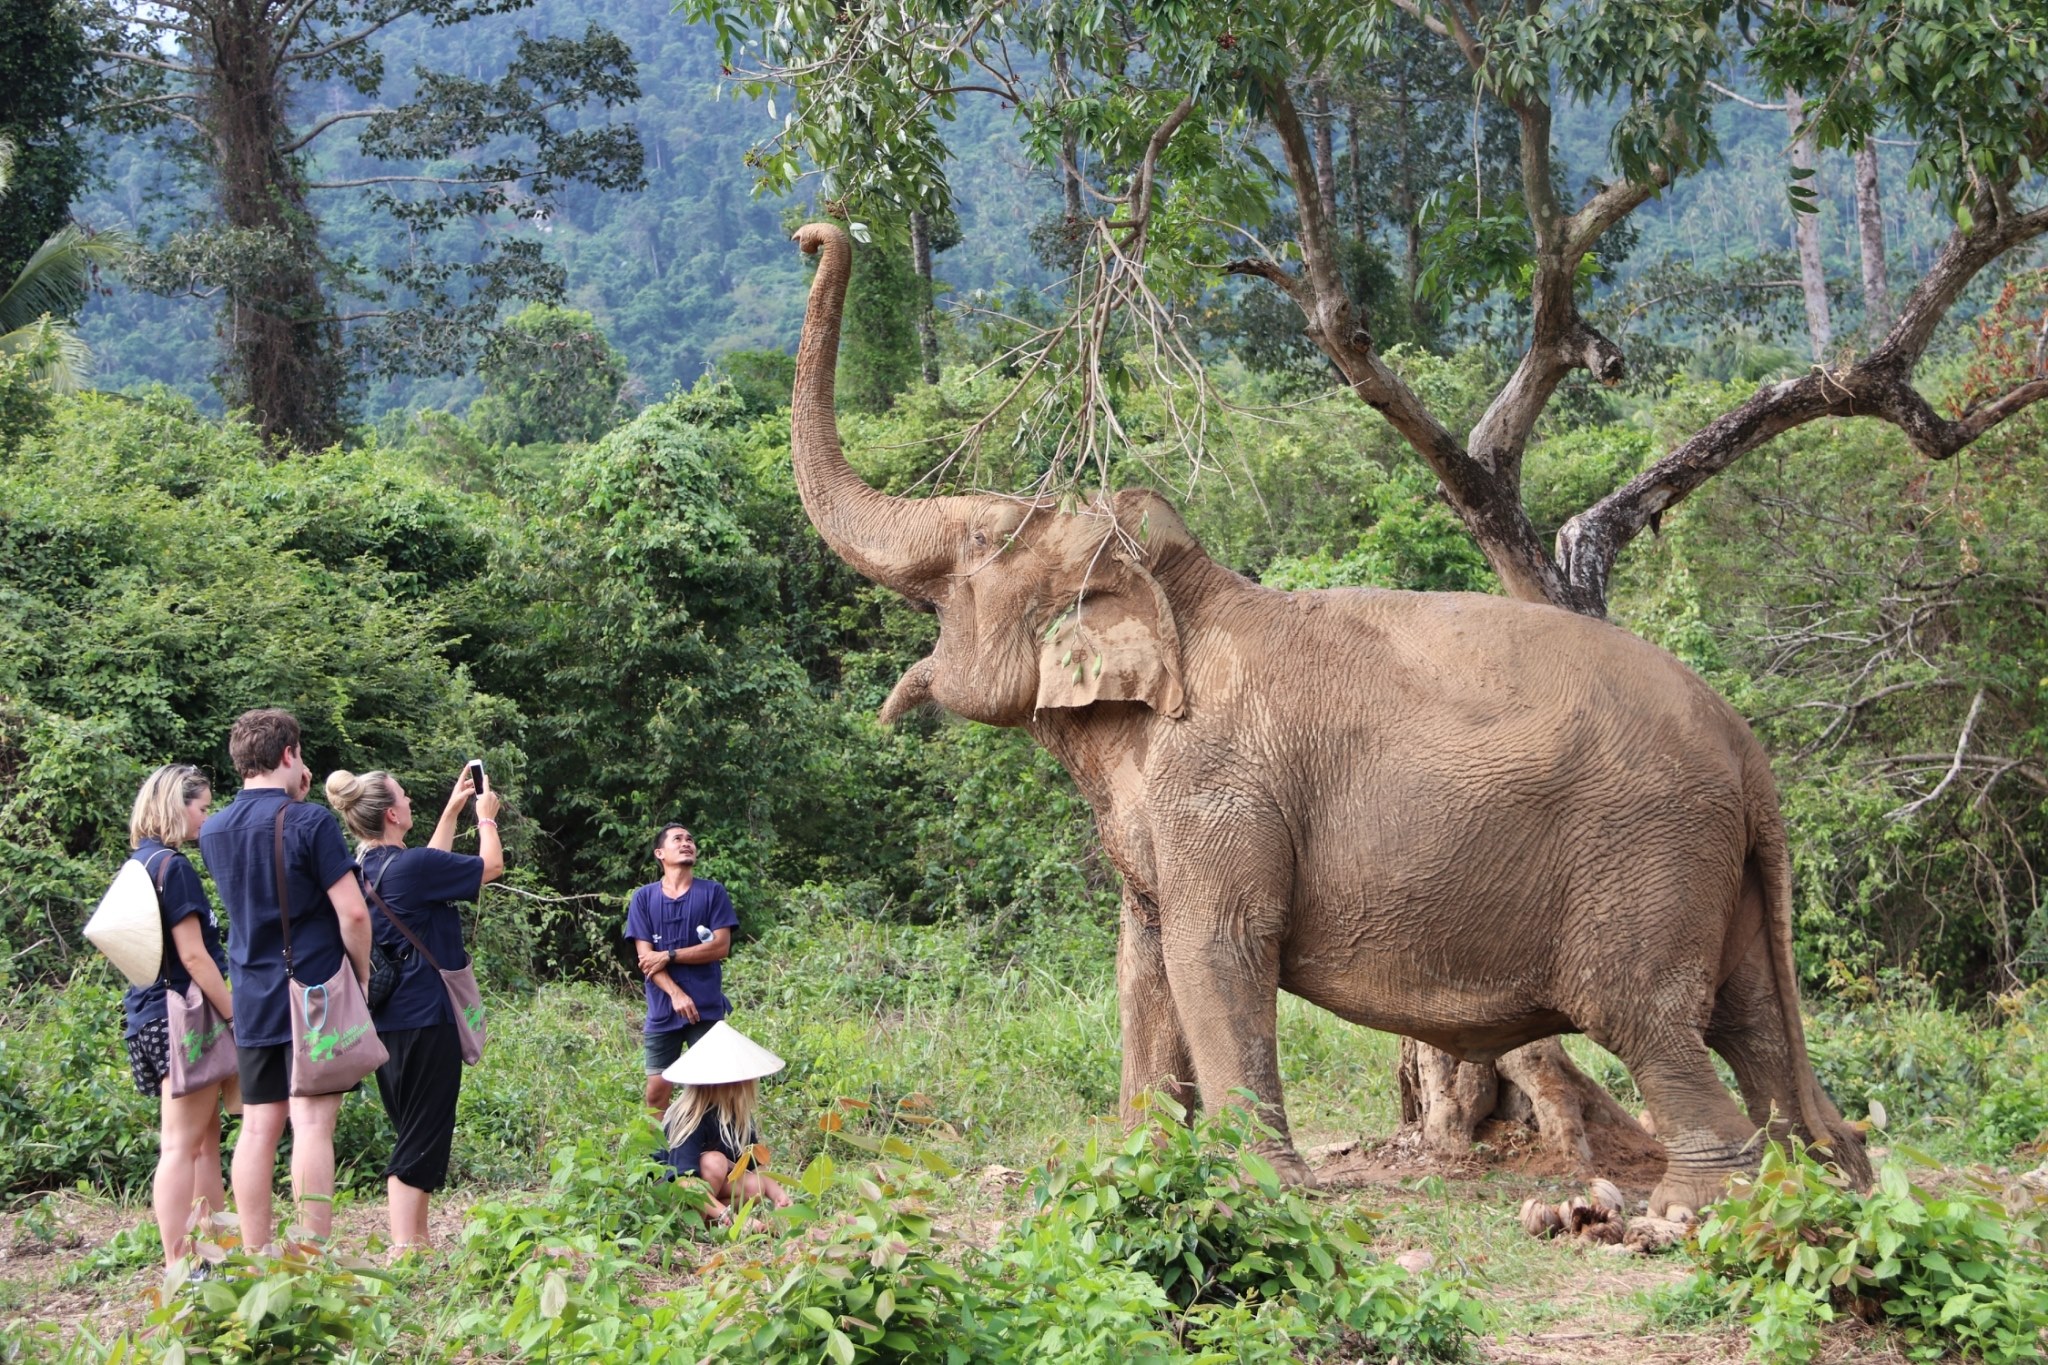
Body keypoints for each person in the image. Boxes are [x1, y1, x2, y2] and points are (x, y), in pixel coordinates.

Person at [197, 709, 372, 1251]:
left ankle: (254, 1252)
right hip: (314, 991)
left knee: (257, 1126)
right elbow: (355, 914)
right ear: (290, 753)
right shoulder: (309, 820)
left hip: (251, 993)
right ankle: (309, 1256)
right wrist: (359, 980)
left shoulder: (214, 828)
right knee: (313, 1124)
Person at [326, 764, 503, 1257]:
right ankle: (405, 1246)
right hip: (427, 1015)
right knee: (423, 1131)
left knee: (412, 1123)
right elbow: (489, 868)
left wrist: (451, 809)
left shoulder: (365, 871)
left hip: (386, 1019)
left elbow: (429, 862)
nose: (410, 803)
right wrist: (485, 819)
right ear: (392, 814)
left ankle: (417, 1241)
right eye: (404, 798)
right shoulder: (413, 869)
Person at [121, 763, 239, 1265]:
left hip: (147, 1014)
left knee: (205, 1140)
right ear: (177, 806)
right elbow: (193, 955)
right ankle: (178, 1262)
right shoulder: (175, 868)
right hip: (182, 1018)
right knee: (180, 1144)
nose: (205, 819)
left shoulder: (139, 865)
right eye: (202, 807)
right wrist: (234, 1014)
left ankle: (209, 1250)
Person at [627, 824, 738, 1111]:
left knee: (713, 1088)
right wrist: (675, 994)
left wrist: (670, 955)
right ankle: (655, 1155)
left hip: (706, 1007)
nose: (687, 843)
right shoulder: (643, 898)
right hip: (662, 1009)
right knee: (656, 1091)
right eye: (678, 839)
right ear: (660, 853)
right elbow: (646, 959)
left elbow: (720, 947)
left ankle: (709, 1151)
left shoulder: (713, 892)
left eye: (690, 839)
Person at [660, 1021, 791, 1221]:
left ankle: (711, 1222)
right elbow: (683, 1181)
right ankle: (693, 1223)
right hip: (675, 1193)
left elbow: (753, 1164)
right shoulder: (690, 1117)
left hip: (711, 1188)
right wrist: (728, 1215)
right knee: (715, 1162)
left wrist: (778, 1195)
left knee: (756, 1185)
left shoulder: (735, 1115)